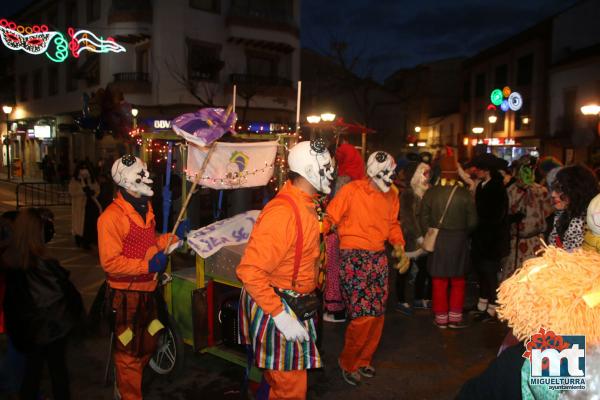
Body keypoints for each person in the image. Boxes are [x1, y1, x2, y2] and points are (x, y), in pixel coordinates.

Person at [237, 140, 334, 400]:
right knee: (290, 389)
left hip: (295, 302)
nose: (332, 173)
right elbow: (250, 270)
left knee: (279, 380)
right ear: (309, 170)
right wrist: (279, 315)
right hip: (278, 305)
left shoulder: (308, 202)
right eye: (326, 167)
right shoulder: (283, 213)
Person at [98, 155, 186, 400]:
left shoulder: (145, 207)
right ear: (126, 182)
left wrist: (173, 237)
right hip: (126, 298)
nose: (148, 177)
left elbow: (151, 243)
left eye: (145, 172)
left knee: (151, 337)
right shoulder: (110, 218)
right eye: (141, 174)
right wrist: (147, 265)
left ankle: (132, 377)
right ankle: (127, 392)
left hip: (150, 292)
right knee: (128, 353)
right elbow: (110, 263)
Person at [325, 151, 407, 386]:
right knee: (362, 316)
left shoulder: (392, 194)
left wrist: (399, 244)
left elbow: (393, 224)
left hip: (379, 257)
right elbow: (331, 216)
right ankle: (348, 362)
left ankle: (363, 359)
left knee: (377, 314)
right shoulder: (352, 191)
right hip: (354, 258)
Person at [2, 208, 82, 400]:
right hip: (52, 328)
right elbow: (65, 296)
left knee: (32, 374)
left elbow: (13, 305)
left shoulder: (12, 262)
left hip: (32, 330)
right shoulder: (45, 264)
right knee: (57, 373)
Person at [420, 152, 477, 328]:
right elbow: (473, 222)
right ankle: (455, 317)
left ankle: (441, 318)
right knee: (458, 280)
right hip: (459, 239)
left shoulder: (431, 192)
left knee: (439, 280)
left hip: (438, 239)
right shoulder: (464, 194)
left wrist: (430, 232)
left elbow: (423, 217)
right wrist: (464, 233)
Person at [470, 153, 510, 322]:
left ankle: (492, 308)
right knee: (482, 272)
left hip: (492, 239)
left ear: (486, 171)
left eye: (478, 169)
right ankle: (482, 303)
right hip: (481, 237)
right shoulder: (482, 186)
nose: (475, 171)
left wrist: (481, 223)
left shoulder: (497, 187)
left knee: (490, 274)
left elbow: (497, 216)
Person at [500, 156, 553, 281]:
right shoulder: (511, 191)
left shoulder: (540, 191)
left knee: (534, 279)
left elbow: (548, 212)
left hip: (535, 241)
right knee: (514, 278)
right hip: (516, 243)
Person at [396, 160, 432, 316]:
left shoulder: (427, 192)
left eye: (428, 173)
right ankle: (401, 300)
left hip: (424, 237)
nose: (428, 177)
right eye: (425, 173)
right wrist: (418, 237)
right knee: (404, 269)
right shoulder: (408, 193)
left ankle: (418, 298)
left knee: (424, 268)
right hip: (409, 238)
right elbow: (408, 217)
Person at [548, 165, 599, 251]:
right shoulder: (565, 213)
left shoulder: (590, 222)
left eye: (559, 189)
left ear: (576, 191)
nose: (553, 194)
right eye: (553, 188)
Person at [69, 163, 102, 249]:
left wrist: (92, 192)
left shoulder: (91, 179)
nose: (84, 171)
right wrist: (83, 192)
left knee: (91, 222)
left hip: (91, 204)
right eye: (82, 169)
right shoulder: (75, 180)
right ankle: (80, 239)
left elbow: (97, 189)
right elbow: (72, 192)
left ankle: (91, 240)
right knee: (80, 223)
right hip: (80, 205)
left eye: (86, 168)